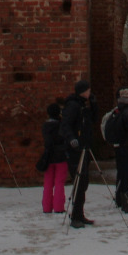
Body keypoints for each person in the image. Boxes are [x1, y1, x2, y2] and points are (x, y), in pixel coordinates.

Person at [61, 80, 97, 227]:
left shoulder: (83, 105)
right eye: (88, 90)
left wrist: (94, 104)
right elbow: (65, 125)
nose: (90, 92)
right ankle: (75, 215)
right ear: (83, 91)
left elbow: (93, 119)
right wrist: (71, 139)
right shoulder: (73, 106)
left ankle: (79, 213)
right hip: (75, 150)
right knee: (79, 181)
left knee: (84, 182)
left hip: (84, 147)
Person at [40, 101, 68, 214]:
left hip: (48, 156)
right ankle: (58, 207)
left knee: (48, 183)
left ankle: (46, 207)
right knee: (59, 183)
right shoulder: (61, 125)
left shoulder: (45, 126)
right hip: (61, 156)